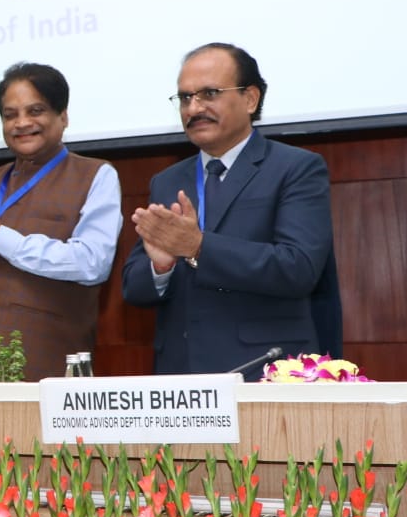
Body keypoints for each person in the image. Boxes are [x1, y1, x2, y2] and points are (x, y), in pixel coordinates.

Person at [120, 42, 334, 378]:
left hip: (264, 369)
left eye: (209, 93)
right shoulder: (167, 180)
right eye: (185, 98)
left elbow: (299, 268)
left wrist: (198, 247)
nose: (194, 108)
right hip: (182, 375)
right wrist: (161, 266)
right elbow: (134, 287)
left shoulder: (296, 168)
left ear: (250, 99)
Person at [0, 62, 121, 379]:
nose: (22, 123)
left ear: (62, 116)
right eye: (10, 115)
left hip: (52, 368)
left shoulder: (96, 175)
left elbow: (92, 262)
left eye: (36, 111)